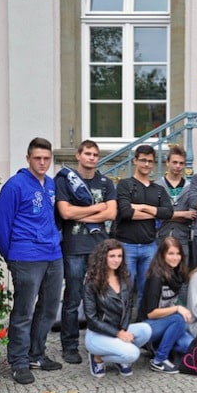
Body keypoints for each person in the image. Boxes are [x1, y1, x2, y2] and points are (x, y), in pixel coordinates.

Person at [0, 137, 64, 385]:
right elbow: (2, 225)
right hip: (25, 256)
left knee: (48, 308)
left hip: (52, 255)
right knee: (24, 312)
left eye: (47, 158)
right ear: (28, 158)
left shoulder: (50, 185)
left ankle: (36, 354)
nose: (43, 162)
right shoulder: (15, 185)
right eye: (37, 158)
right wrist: (11, 256)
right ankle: (18, 362)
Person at [54, 140, 117, 365]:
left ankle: (99, 344)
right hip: (74, 249)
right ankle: (69, 346)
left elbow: (111, 213)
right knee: (72, 299)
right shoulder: (65, 182)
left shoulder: (106, 183)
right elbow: (65, 212)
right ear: (78, 156)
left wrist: (80, 213)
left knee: (102, 299)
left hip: (100, 250)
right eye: (87, 153)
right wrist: (96, 208)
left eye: (95, 154)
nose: (91, 157)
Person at [115, 145, 174, 309]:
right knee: (124, 289)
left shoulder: (159, 189)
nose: (147, 164)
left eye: (150, 161)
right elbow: (126, 212)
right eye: (143, 160)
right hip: (127, 245)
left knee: (146, 290)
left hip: (149, 246)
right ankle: (122, 327)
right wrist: (155, 212)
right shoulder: (125, 185)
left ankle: (142, 326)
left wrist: (140, 207)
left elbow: (168, 212)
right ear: (135, 161)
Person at [83, 239, 152, 378]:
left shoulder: (124, 277)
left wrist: (123, 331)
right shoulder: (92, 282)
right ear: (103, 258)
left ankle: (119, 356)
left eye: (119, 256)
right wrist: (118, 334)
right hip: (97, 334)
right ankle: (98, 357)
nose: (116, 260)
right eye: (112, 256)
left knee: (146, 330)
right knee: (133, 354)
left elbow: (128, 306)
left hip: (118, 329)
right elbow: (91, 319)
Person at [138, 237, 194, 374]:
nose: (175, 258)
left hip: (169, 323)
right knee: (178, 318)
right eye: (171, 254)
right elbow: (151, 313)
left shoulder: (178, 274)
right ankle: (159, 360)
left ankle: (161, 346)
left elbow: (179, 301)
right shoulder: (156, 277)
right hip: (149, 325)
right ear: (162, 255)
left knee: (188, 345)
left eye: (178, 253)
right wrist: (177, 309)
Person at [155, 145, 197, 264]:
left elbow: (192, 215)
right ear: (167, 163)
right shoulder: (157, 186)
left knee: (181, 274)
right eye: (174, 162)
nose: (178, 166)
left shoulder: (190, 187)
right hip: (160, 237)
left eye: (181, 163)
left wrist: (166, 215)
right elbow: (155, 213)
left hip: (182, 238)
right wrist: (183, 214)